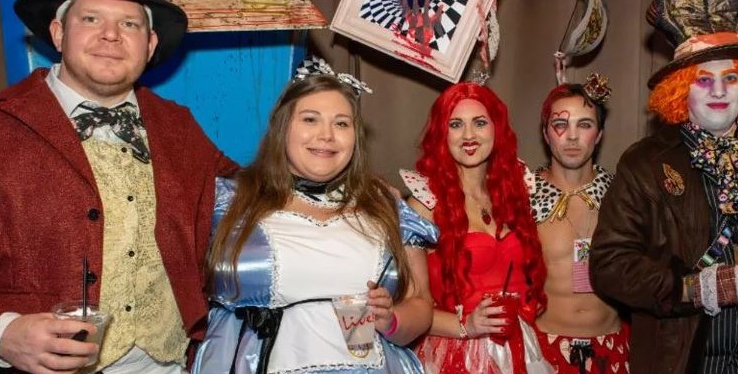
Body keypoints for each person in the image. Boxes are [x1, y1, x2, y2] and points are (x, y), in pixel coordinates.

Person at [0, 0, 237, 373]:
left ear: (150, 44)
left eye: (129, 24)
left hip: (169, 363)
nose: (111, 35)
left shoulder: (179, 127)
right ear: (58, 34)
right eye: (91, 19)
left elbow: (256, 188)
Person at [588, 0, 738, 374]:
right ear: (680, 91)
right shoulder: (644, 162)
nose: (719, 90)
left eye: (731, 78)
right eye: (703, 79)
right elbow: (609, 265)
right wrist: (694, 288)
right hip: (686, 363)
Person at [194, 57, 436, 374]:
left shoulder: (385, 207)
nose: (326, 135)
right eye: (310, 119)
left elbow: (420, 303)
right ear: (282, 128)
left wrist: (392, 321)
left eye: (341, 123)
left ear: (355, 137)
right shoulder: (228, 201)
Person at [402, 82, 553, 374]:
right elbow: (411, 306)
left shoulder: (515, 193)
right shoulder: (424, 204)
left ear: (496, 129)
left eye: (480, 123)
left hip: (519, 347)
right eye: (456, 124)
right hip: (457, 353)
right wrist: (467, 325)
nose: (469, 135)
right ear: (442, 134)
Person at [529, 75, 629, 374]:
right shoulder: (522, 196)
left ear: (598, 134)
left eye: (584, 125)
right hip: (543, 347)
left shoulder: (622, 196)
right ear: (547, 133)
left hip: (612, 344)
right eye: (561, 125)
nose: (572, 137)